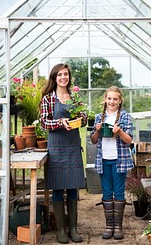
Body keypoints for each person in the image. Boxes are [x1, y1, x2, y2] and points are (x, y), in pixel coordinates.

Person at [40, 63, 87, 244]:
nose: (63, 77)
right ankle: (61, 231)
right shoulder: (48, 99)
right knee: (58, 187)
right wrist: (60, 122)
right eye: (59, 75)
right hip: (57, 148)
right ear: (54, 77)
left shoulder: (74, 97)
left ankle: (73, 229)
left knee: (73, 187)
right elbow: (44, 123)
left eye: (65, 74)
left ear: (69, 77)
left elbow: (84, 119)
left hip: (73, 147)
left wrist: (80, 119)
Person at [90, 86, 134, 240]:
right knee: (107, 193)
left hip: (119, 161)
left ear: (120, 100)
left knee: (119, 192)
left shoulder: (125, 117)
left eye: (115, 99)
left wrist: (119, 132)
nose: (111, 101)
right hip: (104, 160)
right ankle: (109, 227)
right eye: (109, 98)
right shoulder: (99, 117)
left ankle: (118, 228)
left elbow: (129, 141)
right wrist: (96, 130)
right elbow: (94, 140)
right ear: (105, 99)